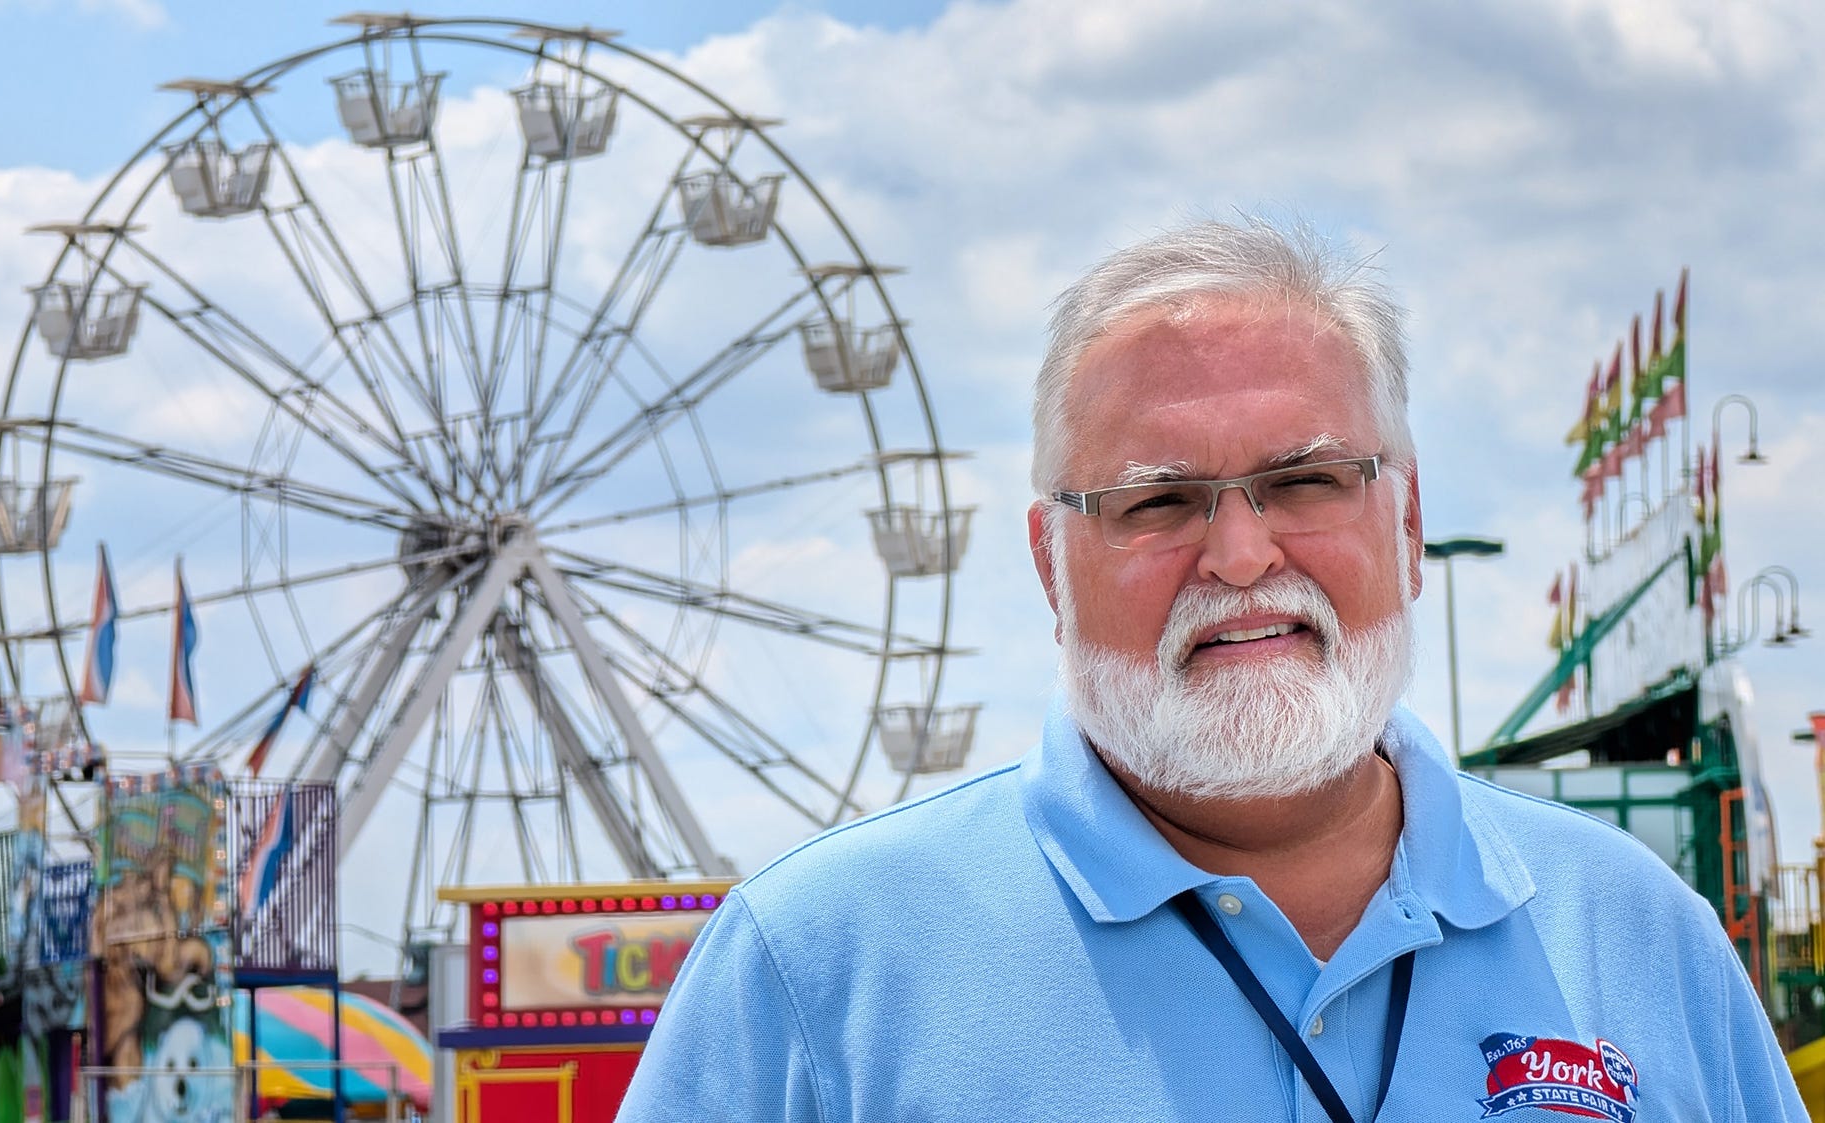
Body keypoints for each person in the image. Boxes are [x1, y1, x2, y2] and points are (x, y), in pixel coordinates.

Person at [615, 217, 1805, 1120]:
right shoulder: (815, 969)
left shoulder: (1642, 936)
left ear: (1407, 524)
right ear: (1049, 564)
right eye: (1158, 500)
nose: (1241, 557)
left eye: (1307, 479)